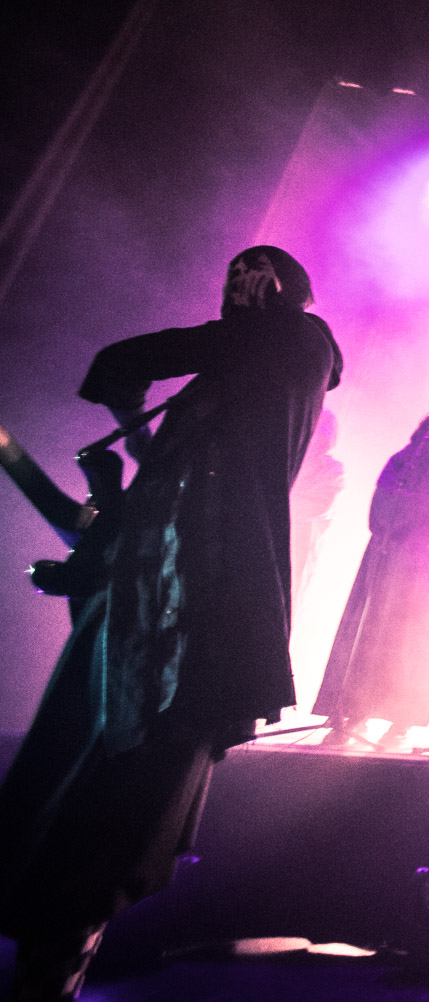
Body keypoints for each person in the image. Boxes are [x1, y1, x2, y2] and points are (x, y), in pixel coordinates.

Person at [0, 245, 342, 1001]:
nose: (236, 291)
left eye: (251, 278)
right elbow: (126, 373)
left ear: (279, 289)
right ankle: (50, 954)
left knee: (128, 790)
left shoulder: (293, 343)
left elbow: (123, 361)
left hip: (197, 599)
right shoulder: (233, 377)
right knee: (85, 775)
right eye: (231, 278)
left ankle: (58, 950)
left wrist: (135, 421)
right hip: (156, 588)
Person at [312, 395, 429, 750]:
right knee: (370, 633)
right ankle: (353, 710)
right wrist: (391, 524)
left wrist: (411, 519)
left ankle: (401, 719)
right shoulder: (409, 456)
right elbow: (382, 498)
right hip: (388, 557)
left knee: (412, 641)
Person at [288, 408, 346, 612]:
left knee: (288, 603)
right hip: (273, 541)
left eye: (320, 434)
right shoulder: (289, 460)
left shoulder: (333, 471)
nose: (314, 440)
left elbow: (317, 506)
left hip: (299, 550)